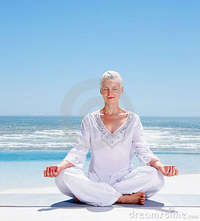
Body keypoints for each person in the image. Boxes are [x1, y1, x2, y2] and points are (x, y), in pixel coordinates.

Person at [44, 70, 179, 207]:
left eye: (114, 89)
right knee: (63, 176)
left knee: (156, 177)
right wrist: (59, 167)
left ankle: (90, 196)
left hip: (125, 180)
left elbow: (143, 151)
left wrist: (160, 166)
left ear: (121, 90)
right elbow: (79, 151)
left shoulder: (133, 119)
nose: (110, 93)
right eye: (106, 89)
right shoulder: (90, 119)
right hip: (95, 179)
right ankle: (121, 198)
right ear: (101, 91)